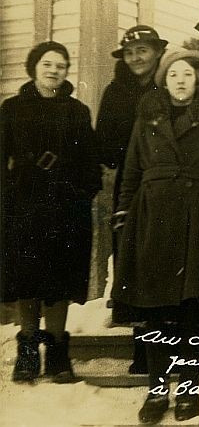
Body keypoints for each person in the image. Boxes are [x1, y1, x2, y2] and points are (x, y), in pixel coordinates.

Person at [112, 50, 199, 423]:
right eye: (173, 74)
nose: (180, 80)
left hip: (197, 219)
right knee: (153, 311)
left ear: (198, 81)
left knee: (190, 311)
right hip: (151, 219)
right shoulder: (146, 119)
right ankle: (156, 390)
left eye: (187, 74)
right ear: (163, 81)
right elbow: (132, 169)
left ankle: (189, 390)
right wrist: (123, 215)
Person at [2, 41, 102, 384]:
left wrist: (81, 194)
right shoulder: (11, 109)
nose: (53, 70)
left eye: (60, 65)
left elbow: (90, 163)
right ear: (34, 67)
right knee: (27, 278)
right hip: (24, 207)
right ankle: (28, 352)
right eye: (47, 64)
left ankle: (58, 353)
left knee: (60, 278)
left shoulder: (76, 111)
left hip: (65, 208)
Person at [97, 26, 169, 374]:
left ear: (156, 52)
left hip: (163, 182)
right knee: (132, 261)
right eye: (130, 52)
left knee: (163, 259)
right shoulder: (115, 93)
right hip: (130, 183)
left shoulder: (169, 85)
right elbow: (104, 142)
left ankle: (169, 347)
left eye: (143, 50)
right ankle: (142, 348)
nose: (137, 58)